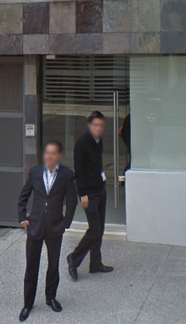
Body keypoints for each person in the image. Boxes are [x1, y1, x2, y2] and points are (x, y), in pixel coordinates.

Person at [17, 141, 77, 321]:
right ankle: (28, 303)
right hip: (35, 226)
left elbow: (72, 201)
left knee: (53, 265)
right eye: (47, 153)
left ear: (59, 155)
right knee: (31, 266)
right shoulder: (35, 172)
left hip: (55, 227)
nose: (49, 156)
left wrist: (65, 223)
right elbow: (23, 196)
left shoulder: (66, 174)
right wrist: (23, 218)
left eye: (53, 153)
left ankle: (51, 297)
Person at [67, 111, 114, 280]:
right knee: (94, 230)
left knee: (99, 229)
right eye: (95, 125)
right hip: (90, 193)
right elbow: (79, 171)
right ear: (89, 125)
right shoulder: (82, 143)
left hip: (100, 189)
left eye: (101, 125)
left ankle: (95, 263)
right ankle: (74, 258)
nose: (98, 128)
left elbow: (97, 164)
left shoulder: (98, 141)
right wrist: (83, 194)